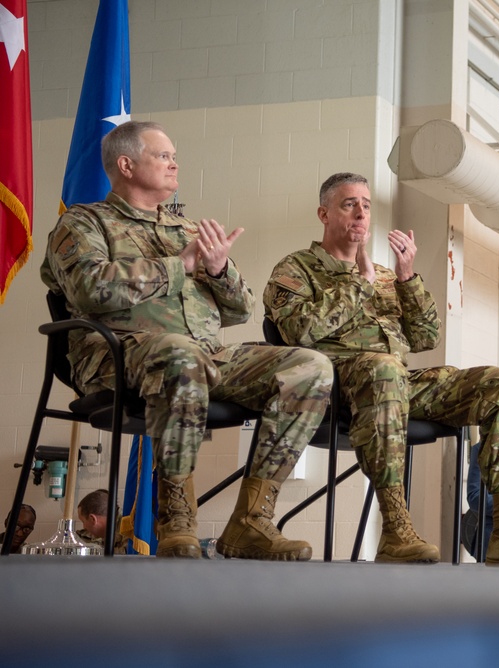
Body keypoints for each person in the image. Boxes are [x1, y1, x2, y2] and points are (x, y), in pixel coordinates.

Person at [41, 120, 334, 561]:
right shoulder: (83, 224)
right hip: (121, 356)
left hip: (206, 355)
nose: (174, 162)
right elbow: (89, 290)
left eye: (173, 155)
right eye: (163, 155)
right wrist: (179, 266)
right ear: (125, 164)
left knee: (310, 365)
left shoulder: (187, 229)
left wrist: (217, 269)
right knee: (180, 354)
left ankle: (252, 520)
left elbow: (241, 310)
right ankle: (176, 518)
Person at [263, 172, 499, 567]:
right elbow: (297, 332)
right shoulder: (297, 268)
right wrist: (360, 284)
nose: (360, 212)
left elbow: (426, 337)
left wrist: (406, 276)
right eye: (348, 204)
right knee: (384, 369)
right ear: (323, 213)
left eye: (366, 205)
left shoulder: (388, 276)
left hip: (396, 385)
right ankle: (395, 529)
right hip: (337, 387)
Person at [76, 489, 126, 554]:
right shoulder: (107, 529)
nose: (84, 527)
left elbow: (127, 557)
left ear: (92, 519)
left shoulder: (129, 527)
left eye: (83, 521)